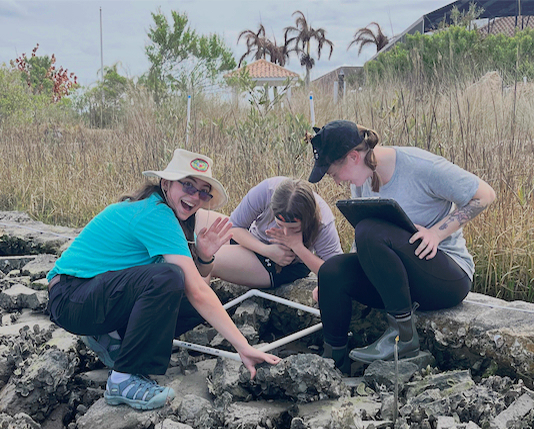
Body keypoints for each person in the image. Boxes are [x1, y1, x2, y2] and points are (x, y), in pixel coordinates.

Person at [46, 148, 280, 410]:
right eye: (187, 185)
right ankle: (123, 379)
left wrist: (204, 257)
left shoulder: (172, 217)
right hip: (70, 296)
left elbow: (196, 288)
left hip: (91, 295)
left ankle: (114, 339)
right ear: (166, 184)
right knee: (169, 278)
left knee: (187, 298)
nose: (195, 196)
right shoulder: (155, 213)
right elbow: (194, 289)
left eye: (203, 192)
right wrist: (243, 347)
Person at [307, 120, 496, 373]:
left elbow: (485, 195)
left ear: (353, 157)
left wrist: (436, 233)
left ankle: (402, 336)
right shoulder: (361, 180)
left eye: (334, 174)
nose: (337, 182)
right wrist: (339, 283)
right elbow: (362, 244)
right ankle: (333, 363)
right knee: (331, 271)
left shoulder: (421, 166)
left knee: (369, 230)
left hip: (446, 277)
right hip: (399, 284)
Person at [196, 176, 343, 289]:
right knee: (195, 218)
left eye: (294, 229)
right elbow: (234, 226)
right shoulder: (267, 191)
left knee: (206, 257)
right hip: (256, 242)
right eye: (280, 225)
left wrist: (298, 247)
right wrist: (267, 250)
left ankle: (197, 311)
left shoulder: (324, 222)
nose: (285, 232)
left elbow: (337, 273)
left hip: (282, 266)